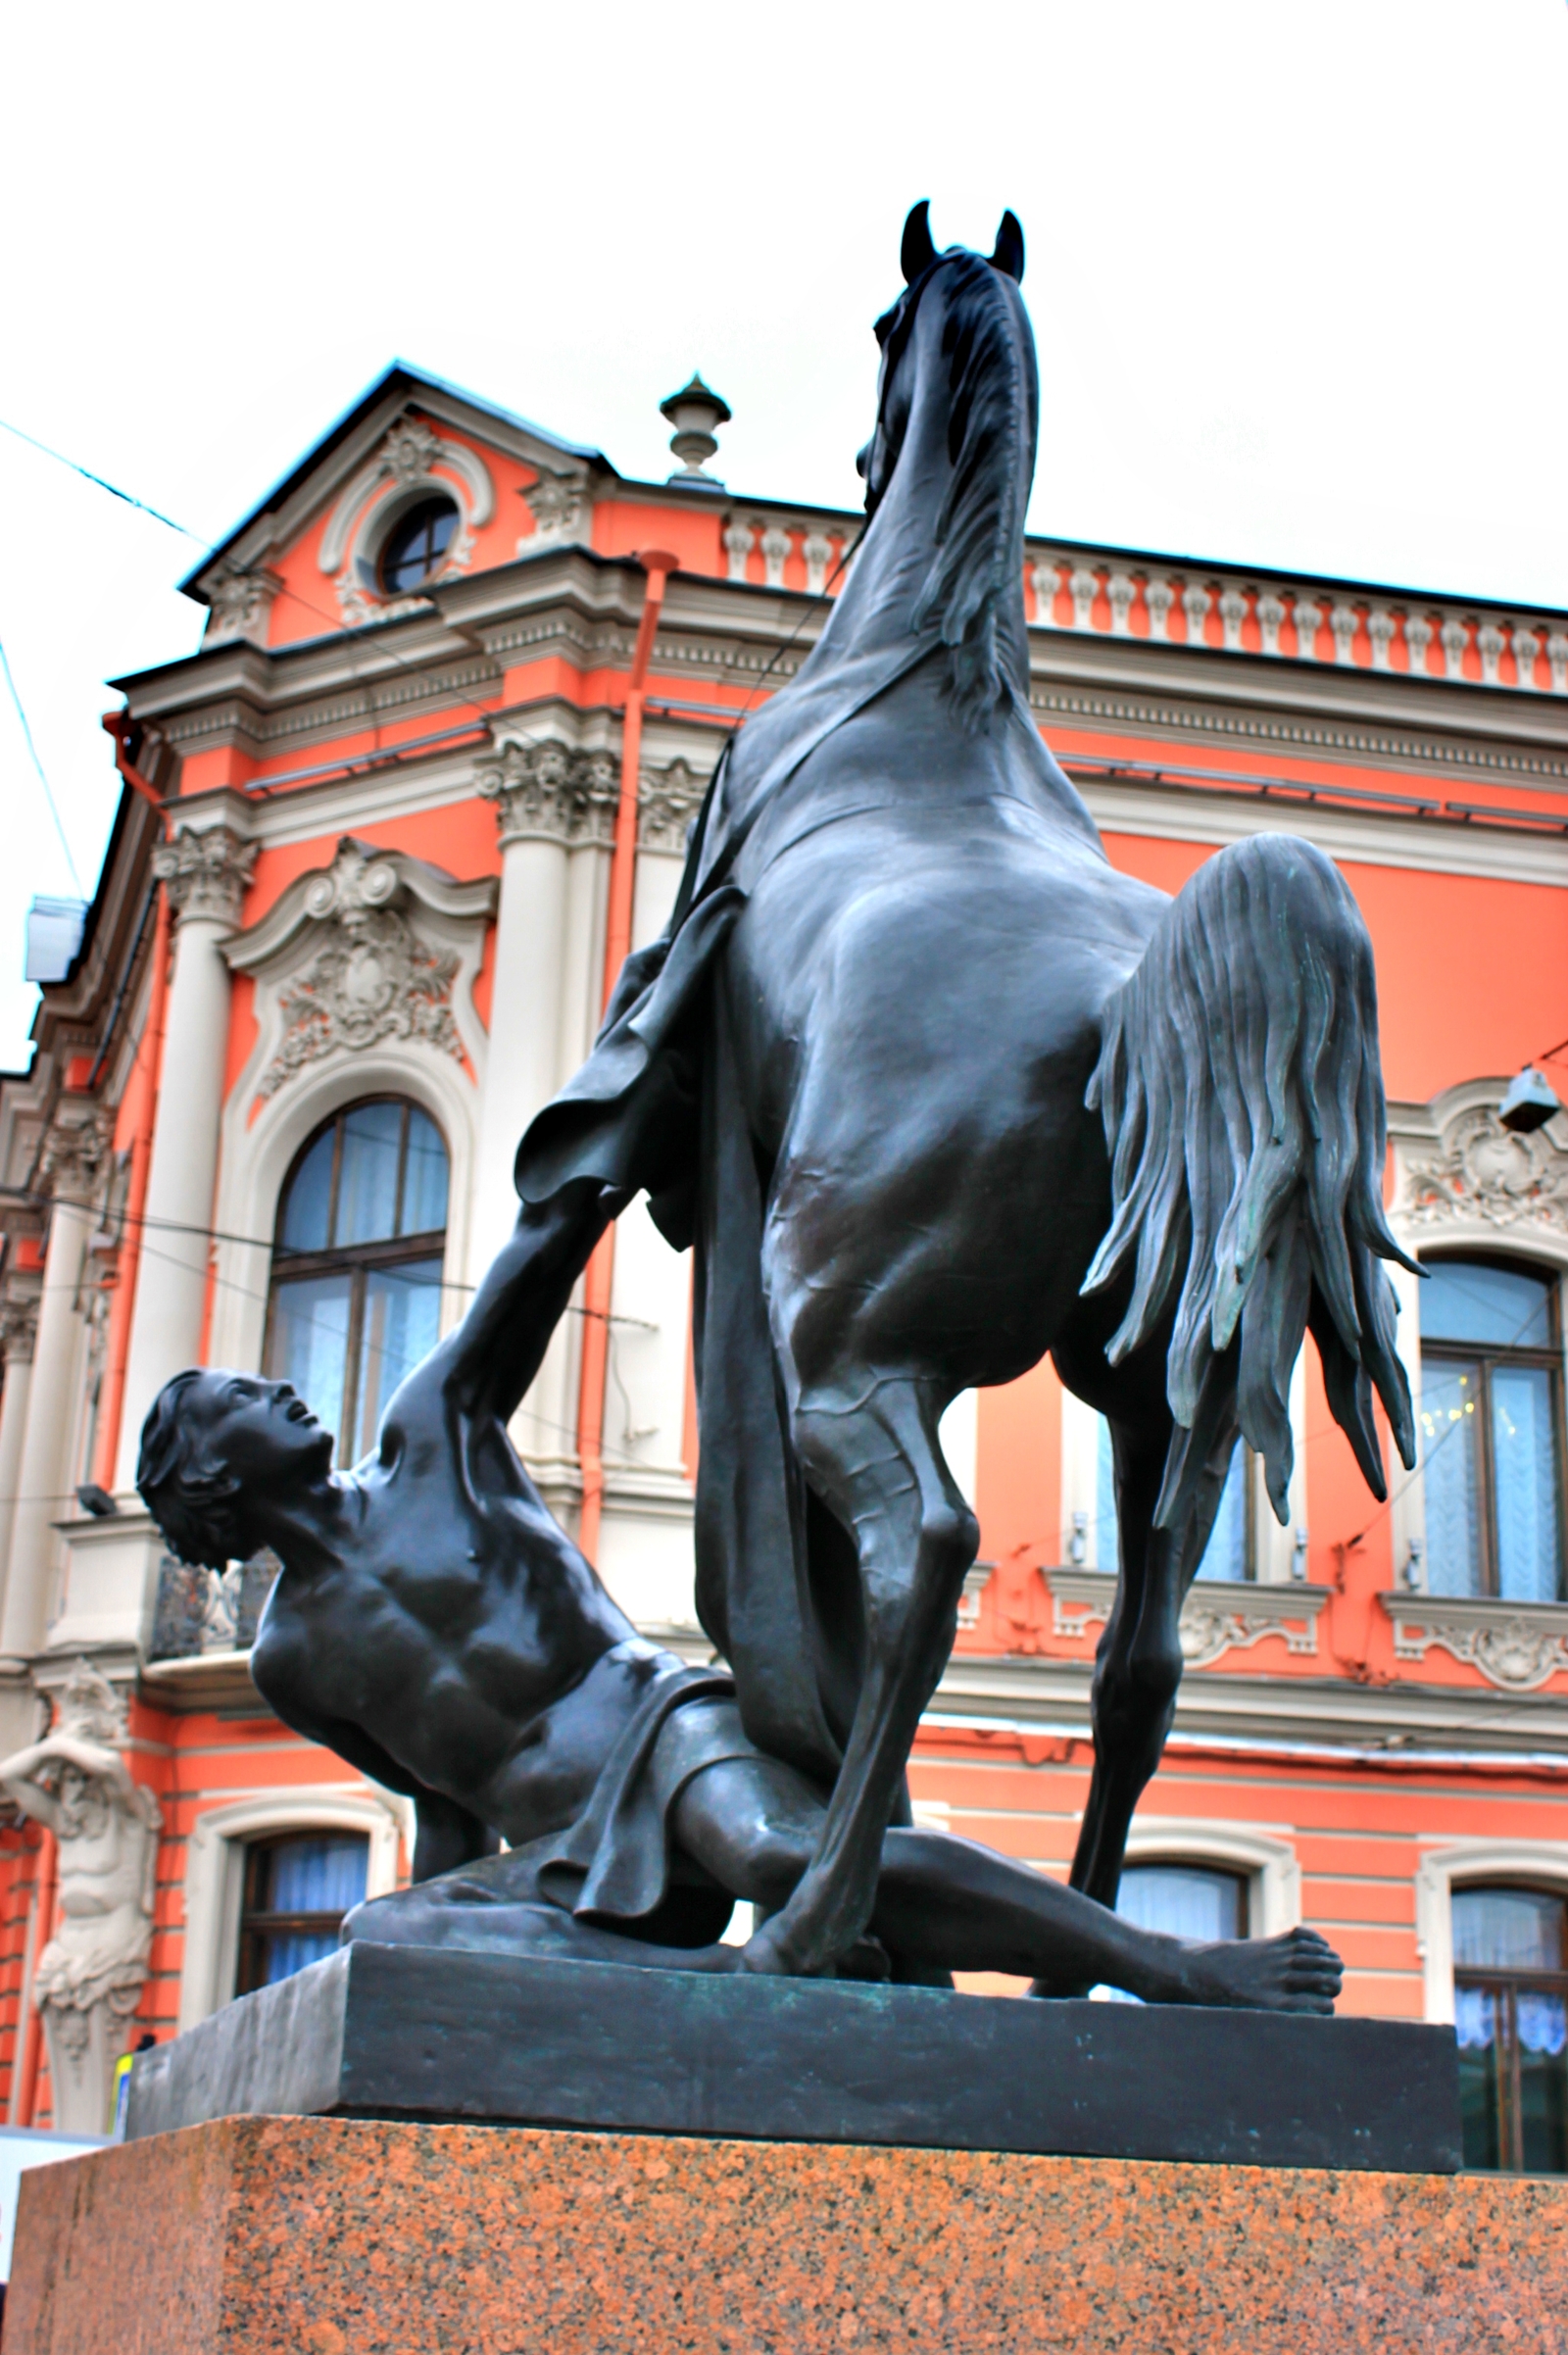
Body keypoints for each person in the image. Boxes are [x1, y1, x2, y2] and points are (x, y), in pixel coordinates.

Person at [137, 1180, 1342, 2010]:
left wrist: (620, 1107)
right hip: (564, 1863)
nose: (282, 1389)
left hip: (663, 1736)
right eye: (245, 1394)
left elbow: (537, 1259)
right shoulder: (290, 1657)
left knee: (773, 1856)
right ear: (205, 1471)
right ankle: (736, 1983)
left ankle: (1169, 1968)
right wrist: (426, 1964)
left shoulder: (430, 1442)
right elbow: (443, 1813)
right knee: (377, 1938)